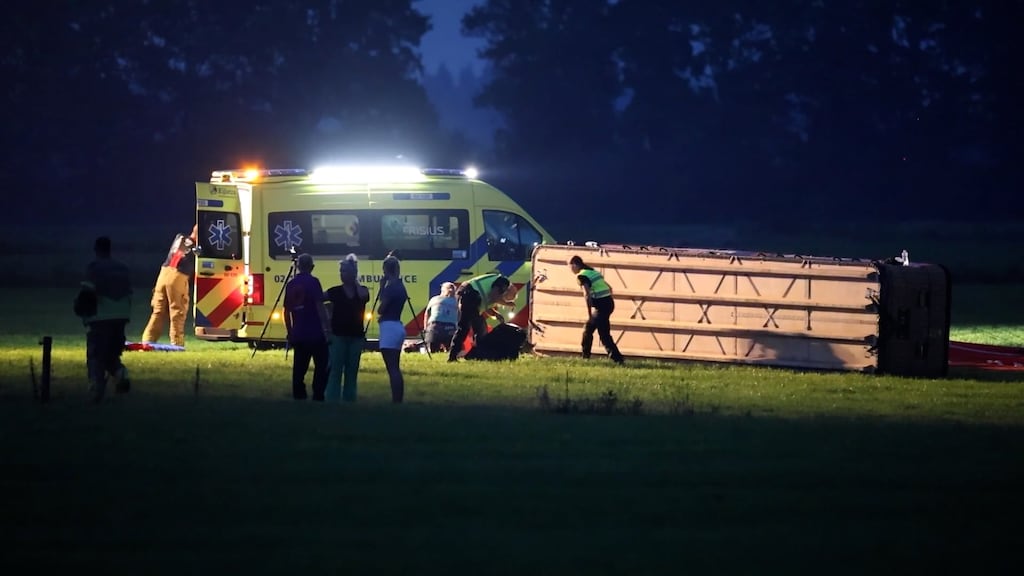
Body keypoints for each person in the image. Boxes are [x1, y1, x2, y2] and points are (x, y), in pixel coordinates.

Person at [76, 236, 133, 402]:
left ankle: (96, 387)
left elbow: (87, 293)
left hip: (101, 316)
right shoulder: (123, 268)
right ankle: (120, 373)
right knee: (111, 354)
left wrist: (82, 311)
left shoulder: (94, 268)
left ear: (96, 250)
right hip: (122, 316)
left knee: (96, 354)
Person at [324, 254, 370, 402]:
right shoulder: (335, 291)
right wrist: (327, 319)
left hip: (356, 336)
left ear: (353, 273)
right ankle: (332, 398)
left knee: (352, 371)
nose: (342, 275)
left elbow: (364, 296)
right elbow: (318, 299)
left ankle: (350, 399)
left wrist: (355, 282)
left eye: (345, 271)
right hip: (338, 335)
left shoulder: (361, 290)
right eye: (341, 271)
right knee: (335, 369)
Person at [141, 225, 198, 347]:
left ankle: (147, 341)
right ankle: (177, 344)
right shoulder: (197, 249)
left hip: (164, 273)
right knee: (177, 312)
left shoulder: (180, 237)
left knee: (158, 311)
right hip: (178, 276)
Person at [283, 253, 330, 400]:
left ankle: (299, 393)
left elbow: (286, 311)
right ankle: (318, 393)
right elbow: (319, 306)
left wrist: (290, 332)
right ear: (312, 267)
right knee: (321, 365)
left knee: (299, 366)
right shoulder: (314, 282)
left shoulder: (290, 284)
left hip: (298, 332)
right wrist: (327, 328)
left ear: (297, 266)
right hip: (315, 332)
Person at [448, 273, 516, 362]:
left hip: (466, 293)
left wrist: (496, 314)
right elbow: (494, 296)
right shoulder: (503, 282)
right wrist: (508, 304)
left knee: (466, 328)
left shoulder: (495, 284)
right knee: (479, 329)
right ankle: (476, 355)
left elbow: (485, 305)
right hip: (470, 294)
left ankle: (455, 356)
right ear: (507, 291)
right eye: (507, 298)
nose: (503, 299)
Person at [569, 255, 624, 364]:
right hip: (608, 304)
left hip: (602, 307)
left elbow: (587, 295)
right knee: (589, 330)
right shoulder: (593, 272)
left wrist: (589, 313)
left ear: (575, 265)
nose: (570, 270)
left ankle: (617, 359)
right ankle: (587, 357)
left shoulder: (582, 276)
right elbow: (610, 288)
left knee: (603, 334)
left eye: (570, 266)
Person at [377, 254, 408, 403]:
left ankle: (396, 400)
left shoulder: (391, 288)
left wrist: (381, 288)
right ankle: (398, 399)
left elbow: (381, 309)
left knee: (392, 368)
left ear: (385, 270)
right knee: (395, 366)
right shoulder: (401, 286)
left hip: (389, 327)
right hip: (397, 325)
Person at [424, 282, 458, 353]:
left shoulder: (435, 299)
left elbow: (427, 313)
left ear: (442, 290)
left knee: (433, 350)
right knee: (451, 350)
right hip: (450, 327)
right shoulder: (456, 301)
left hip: (434, 326)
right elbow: (460, 315)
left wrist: (425, 328)